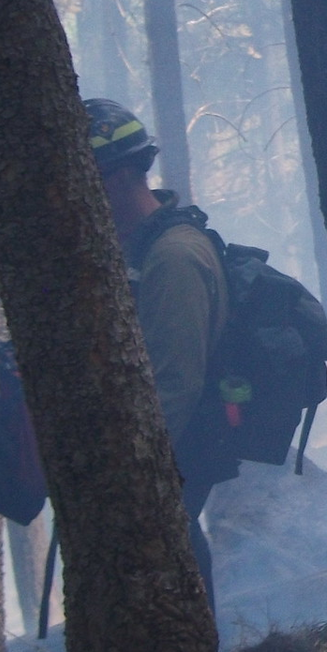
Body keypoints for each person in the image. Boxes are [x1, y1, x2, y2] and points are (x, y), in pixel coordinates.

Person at [86, 99, 236, 609]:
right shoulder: (138, 248)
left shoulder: (172, 257)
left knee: (169, 541)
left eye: (90, 178)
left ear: (125, 172)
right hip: (164, 441)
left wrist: (134, 468)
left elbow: (175, 384)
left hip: (182, 440)